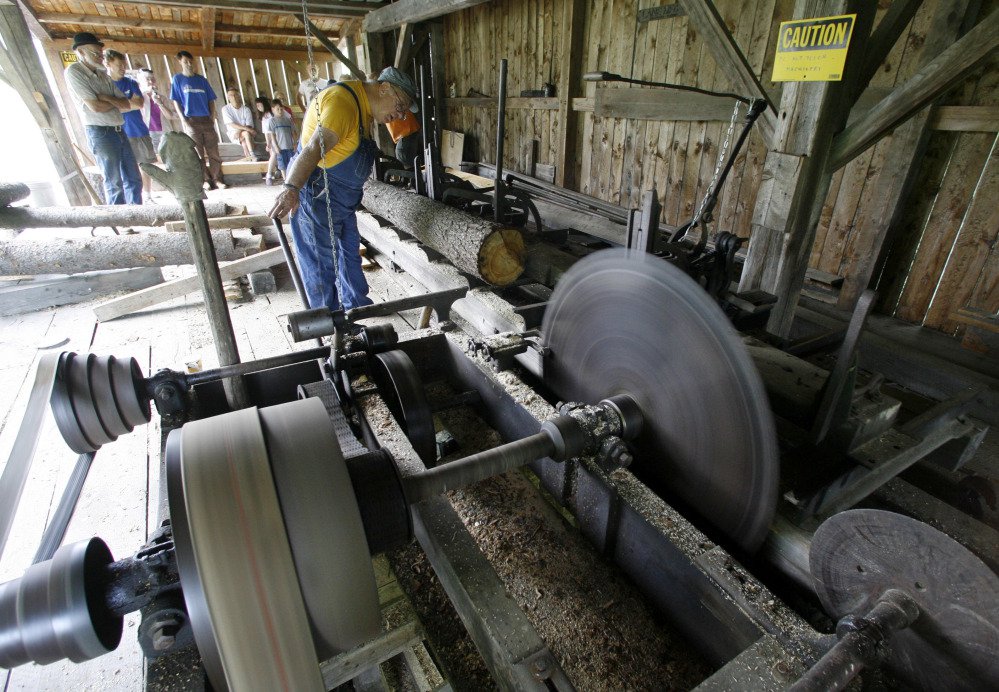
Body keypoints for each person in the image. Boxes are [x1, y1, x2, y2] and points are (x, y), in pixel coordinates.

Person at [268, 67, 418, 313]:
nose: (400, 115)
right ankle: (328, 326)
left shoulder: (363, 107)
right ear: (385, 88)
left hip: (342, 201)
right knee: (320, 264)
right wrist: (291, 188)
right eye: (400, 106)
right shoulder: (343, 104)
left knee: (349, 256)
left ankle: (357, 309)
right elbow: (313, 148)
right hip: (318, 196)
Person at [63, 32, 142, 205]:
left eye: (100, 53)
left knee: (133, 178)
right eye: (95, 53)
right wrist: (112, 101)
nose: (99, 56)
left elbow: (126, 104)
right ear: (81, 52)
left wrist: (106, 98)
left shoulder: (103, 75)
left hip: (118, 129)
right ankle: (121, 220)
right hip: (100, 132)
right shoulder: (74, 72)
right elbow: (95, 107)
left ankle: (138, 214)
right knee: (114, 181)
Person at [170, 50, 227, 190]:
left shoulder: (201, 80)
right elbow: (176, 101)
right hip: (191, 120)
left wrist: (212, 117)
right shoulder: (178, 80)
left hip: (206, 119)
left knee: (213, 152)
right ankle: (204, 180)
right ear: (180, 62)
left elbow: (211, 100)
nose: (189, 64)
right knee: (197, 153)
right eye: (185, 62)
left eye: (191, 61)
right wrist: (183, 119)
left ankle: (217, 179)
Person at [105, 51, 156, 203]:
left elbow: (138, 104)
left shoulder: (130, 83)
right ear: (108, 64)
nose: (122, 68)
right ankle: (129, 202)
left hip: (138, 129)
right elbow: (101, 107)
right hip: (118, 132)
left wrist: (113, 105)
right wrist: (127, 104)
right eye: (118, 65)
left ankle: (147, 196)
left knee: (145, 165)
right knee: (126, 170)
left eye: (124, 65)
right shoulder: (105, 84)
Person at [138, 68, 176, 155]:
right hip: (147, 134)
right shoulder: (139, 98)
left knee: (168, 156)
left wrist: (160, 103)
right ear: (141, 82)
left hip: (164, 132)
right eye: (147, 79)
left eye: (152, 79)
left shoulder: (162, 98)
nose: (151, 81)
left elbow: (170, 116)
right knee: (153, 158)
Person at [221, 88, 257, 161]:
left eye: (235, 95)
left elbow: (249, 124)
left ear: (239, 96)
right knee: (246, 133)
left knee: (244, 142)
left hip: (241, 133)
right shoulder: (225, 109)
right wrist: (245, 129)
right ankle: (252, 154)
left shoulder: (246, 109)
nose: (233, 97)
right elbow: (231, 124)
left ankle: (250, 158)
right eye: (231, 95)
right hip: (233, 134)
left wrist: (239, 131)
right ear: (228, 98)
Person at [263, 98, 297, 174]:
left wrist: (295, 144)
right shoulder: (272, 121)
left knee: (291, 164)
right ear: (272, 109)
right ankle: (285, 180)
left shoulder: (288, 120)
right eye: (277, 109)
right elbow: (272, 136)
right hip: (280, 148)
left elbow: (293, 133)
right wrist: (276, 147)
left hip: (290, 146)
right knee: (282, 166)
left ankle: (290, 180)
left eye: (281, 109)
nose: (280, 111)